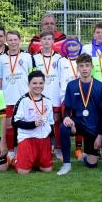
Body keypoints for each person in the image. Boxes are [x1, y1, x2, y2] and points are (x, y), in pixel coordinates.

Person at [58, 53, 102, 175]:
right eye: (81, 66)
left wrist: (100, 135)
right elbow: (68, 107)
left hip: (93, 126)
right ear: (78, 68)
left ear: (92, 67)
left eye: (87, 65)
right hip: (77, 124)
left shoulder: (100, 86)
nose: (85, 68)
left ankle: (86, 155)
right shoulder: (72, 85)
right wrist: (66, 117)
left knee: (92, 164)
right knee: (63, 127)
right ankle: (66, 164)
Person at [0, 30, 35, 165]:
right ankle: (10, 152)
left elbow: (32, 78)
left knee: (24, 125)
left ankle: (22, 151)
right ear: (7, 41)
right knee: (9, 126)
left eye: (15, 40)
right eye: (10, 40)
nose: (13, 42)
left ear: (20, 40)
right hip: (7, 98)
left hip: (24, 98)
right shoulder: (1, 59)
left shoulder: (27, 57)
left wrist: (32, 95)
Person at [12, 70, 54, 175]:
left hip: (43, 138)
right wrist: (32, 124)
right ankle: (14, 160)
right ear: (29, 84)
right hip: (27, 138)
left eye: (40, 83)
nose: (38, 86)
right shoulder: (23, 100)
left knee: (47, 170)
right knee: (23, 172)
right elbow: (15, 122)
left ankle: (34, 159)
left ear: (44, 84)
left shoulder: (48, 101)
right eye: (34, 83)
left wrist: (52, 142)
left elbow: (51, 123)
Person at [32, 31, 63, 159]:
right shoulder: (34, 58)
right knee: (41, 121)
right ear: (40, 41)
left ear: (53, 41)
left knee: (56, 121)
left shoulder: (59, 58)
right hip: (41, 95)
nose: (46, 41)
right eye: (44, 39)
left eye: (49, 39)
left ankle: (58, 148)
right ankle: (43, 147)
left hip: (54, 95)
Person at [57, 35, 83, 160]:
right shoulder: (61, 61)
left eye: (74, 45)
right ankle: (64, 150)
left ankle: (78, 149)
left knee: (80, 122)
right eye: (69, 45)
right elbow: (58, 79)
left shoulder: (83, 61)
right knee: (66, 123)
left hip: (81, 97)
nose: (72, 47)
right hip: (65, 96)